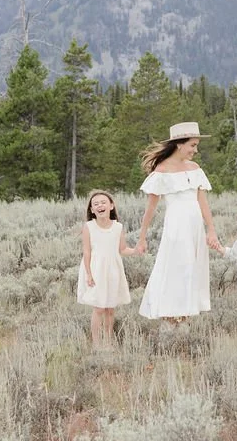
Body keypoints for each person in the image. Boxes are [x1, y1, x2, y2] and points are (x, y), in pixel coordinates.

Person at [136, 122, 221, 325]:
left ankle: (184, 316)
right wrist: (141, 237)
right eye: (192, 145)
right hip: (176, 227)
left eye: (196, 145)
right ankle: (171, 316)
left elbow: (203, 203)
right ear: (179, 145)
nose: (195, 150)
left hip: (195, 228)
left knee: (192, 269)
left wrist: (211, 230)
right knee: (177, 269)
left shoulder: (195, 169)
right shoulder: (162, 171)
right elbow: (151, 208)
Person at [77, 190, 137, 349]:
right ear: (92, 210)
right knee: (98, 307)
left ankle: (108, 340)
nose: (99, 205)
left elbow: (122, 249)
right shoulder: (89, 227)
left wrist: (136, 250)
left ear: (111, 206)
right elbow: (87, 251)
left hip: (113, 270)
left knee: (110, 308)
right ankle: (96, 343)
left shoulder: (118, 227)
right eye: (95, 204)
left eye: (103, 202)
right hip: (96, 270)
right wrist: (89, 274)